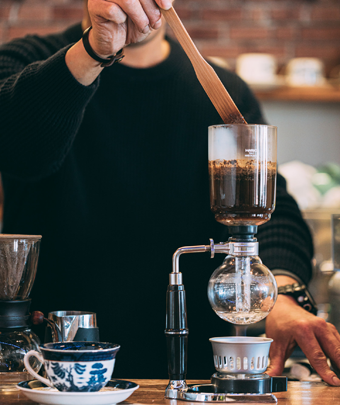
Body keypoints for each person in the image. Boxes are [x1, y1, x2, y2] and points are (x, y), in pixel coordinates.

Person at [0, 0, 339, 385]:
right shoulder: (25, 61)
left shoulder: (221, 91)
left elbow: (269, 209)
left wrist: (284, 297)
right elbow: (19, 152)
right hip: (50, 373)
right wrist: (95, 49)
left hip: (190, 378)